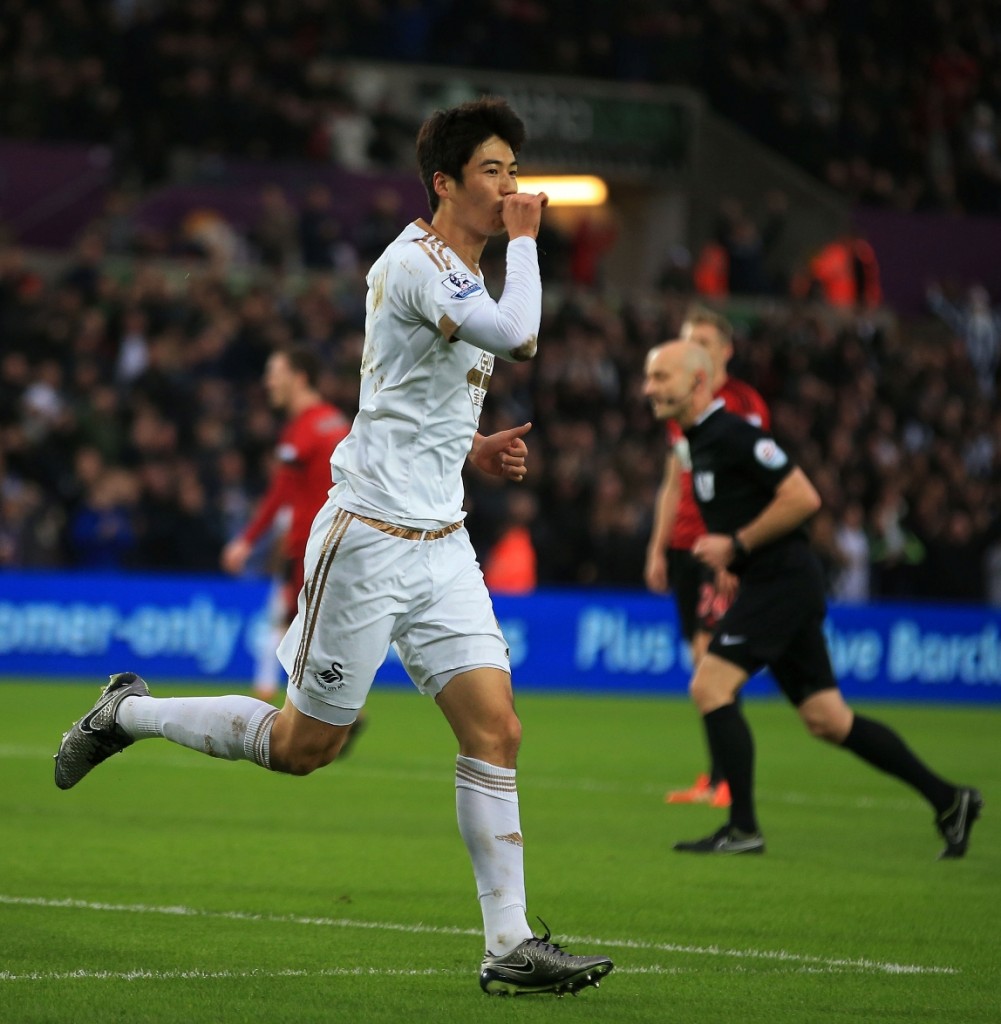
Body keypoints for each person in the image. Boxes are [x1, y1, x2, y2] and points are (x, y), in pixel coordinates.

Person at [54, 97, 614, 997]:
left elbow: (409, 401)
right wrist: (530, 240)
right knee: (304, 746)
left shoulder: (463, 274)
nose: (512, 186)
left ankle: (507, 946)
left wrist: (467, 451)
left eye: (515, 170)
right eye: (494, 171)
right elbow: (524, 336)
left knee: (495, 729)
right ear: (446, 183)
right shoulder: (417, 263)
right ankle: (128, 712)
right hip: (368, 540)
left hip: (441, 539)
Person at [641, 339, 983, 858]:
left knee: (710, 684)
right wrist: (735, 559)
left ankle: (743, 828)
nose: (649, 388)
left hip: (784, 582)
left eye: (661, 377)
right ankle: (949, 799)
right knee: (828, 719)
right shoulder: (699, 442)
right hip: (771, 582)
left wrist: (738, 544)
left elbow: (803, 496)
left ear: (696, 382)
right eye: (649, 377)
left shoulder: (734, 434)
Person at [644, 307, 770, 807]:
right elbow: (673, 482)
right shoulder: (680, 407)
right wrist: (657, 546)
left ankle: (728, 783)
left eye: (704, 339)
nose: (695, 344)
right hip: (683, 548)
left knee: (709, 662)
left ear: (725, 351)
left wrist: (736, 551)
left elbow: (759, 481)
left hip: (718, 547)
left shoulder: (741, 405)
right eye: (688, 337)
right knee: (701, 662)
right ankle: (718, 779)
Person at [220, 345, 351, 701]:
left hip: (309, 545)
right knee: (305, 621)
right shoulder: (337, 422)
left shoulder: (304, 430)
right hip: (338, 542)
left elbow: (280, 492)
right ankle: (319, 702)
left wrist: (245, 540)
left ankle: (286, 701)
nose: (268, 382)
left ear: (300, 377)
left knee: (293, 621)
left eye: (275, 373)